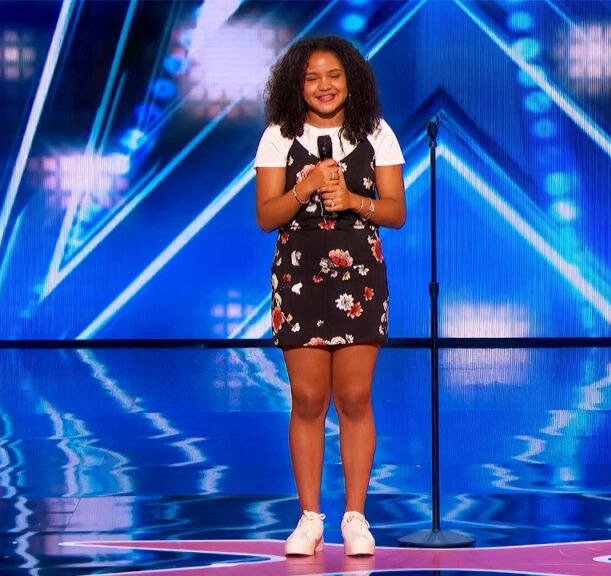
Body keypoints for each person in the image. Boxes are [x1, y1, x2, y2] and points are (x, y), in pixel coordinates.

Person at [253, 35, 406, 557]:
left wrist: (353, 199)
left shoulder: (376, 133)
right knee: (308, 399)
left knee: (355, 398)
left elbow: (395, 211)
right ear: (297, 85)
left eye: (334, 76)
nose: (324, 86)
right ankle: (309, 519)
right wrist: (305, 187)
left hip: (359, 278)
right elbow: (266, 216)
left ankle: (356, 518)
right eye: (313, 77)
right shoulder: (279, 136)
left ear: (351, 80)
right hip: (299, 278)